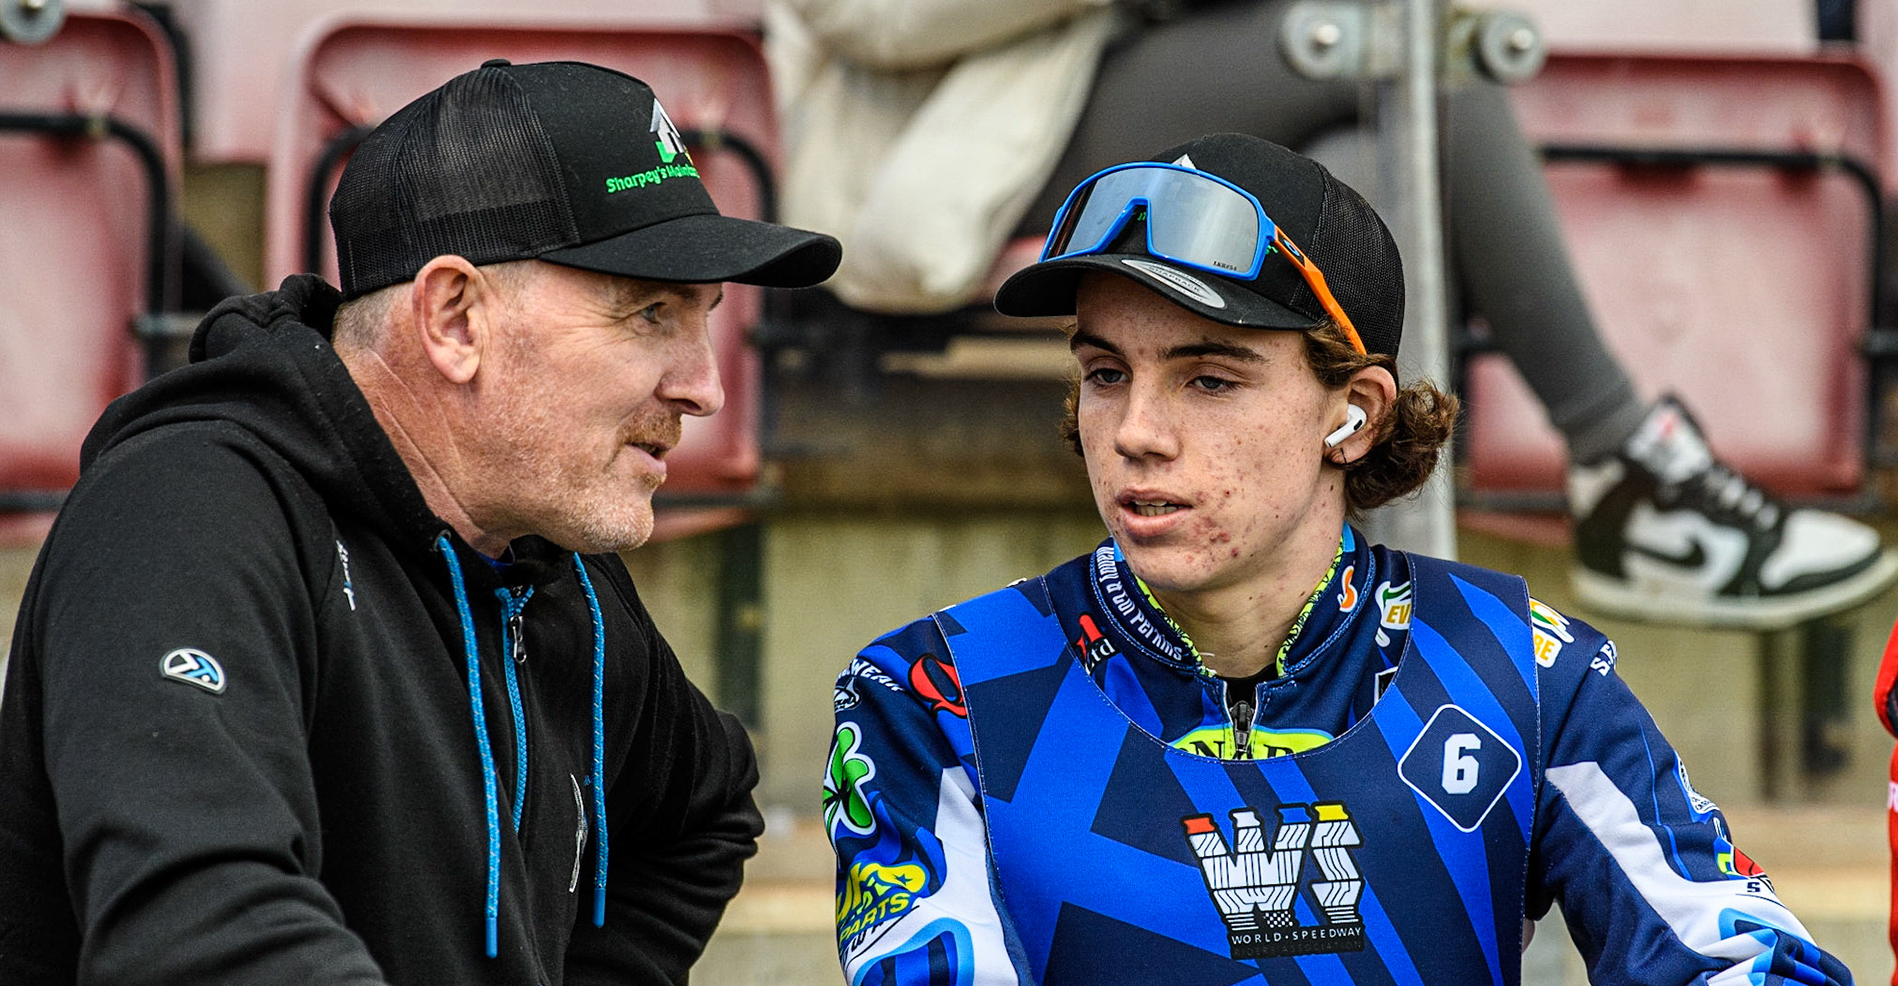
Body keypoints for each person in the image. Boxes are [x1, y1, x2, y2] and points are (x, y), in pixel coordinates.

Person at [822, 133, 1877, 986]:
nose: (1134, 431)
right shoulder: (938, 688)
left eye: (1209, 378)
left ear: (1354, 413)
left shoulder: (1522, 667)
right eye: (1105, 371)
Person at [0, 60, 839, 986]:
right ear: (455, 318)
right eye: (650, 313)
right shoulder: (188, 512)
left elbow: (703, 812)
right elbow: (192, 925)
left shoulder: (558, 560)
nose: (702, 381)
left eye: (705, 317)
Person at [769, 0, 1895, 630]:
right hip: (956, 145)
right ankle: (1623, 460)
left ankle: (1341, 618)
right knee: (1412, 56)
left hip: (1141, 78)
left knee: (1374, 141)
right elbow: (864, 15)